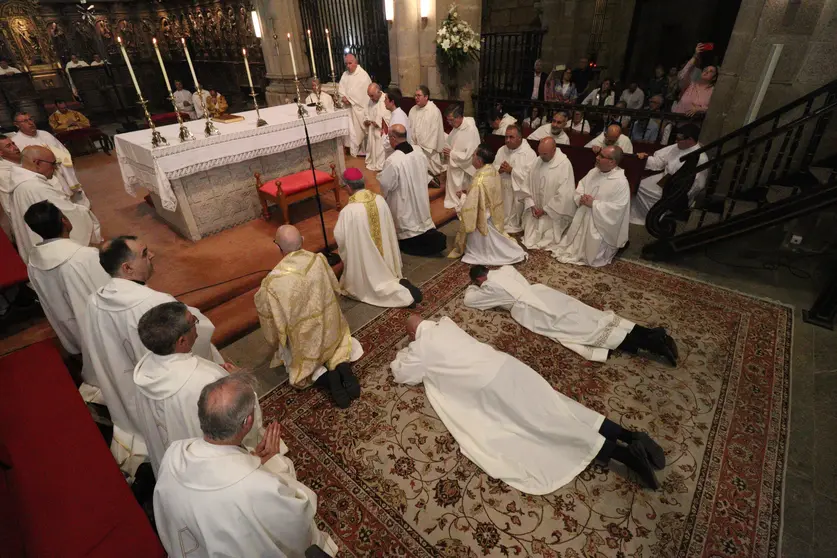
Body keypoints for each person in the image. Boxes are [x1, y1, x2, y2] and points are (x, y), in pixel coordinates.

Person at [391, 315, 668, 492]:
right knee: (561, 406)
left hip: (493, 388)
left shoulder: (421, 349)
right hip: (510, 367)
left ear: (415, 335)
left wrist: (406, 349)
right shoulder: (448, 327)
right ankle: (632, 436)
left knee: (546, 424)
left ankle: (626, 455)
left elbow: (402, 372)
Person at [81, 235, 225, 475]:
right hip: (169, 386)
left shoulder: (95, 300)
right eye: (145, 253)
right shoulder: (155, 302)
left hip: (129, 385)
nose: (152, 256)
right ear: (127, 268)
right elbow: (191, 337)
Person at [153, 375, 339, 557]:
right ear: (247, 422)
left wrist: (252, 460)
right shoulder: (259, 486)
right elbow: (297, 522)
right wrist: (273, 471)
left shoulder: (173, 453)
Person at [133, 302, 267, 475]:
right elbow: (242, 416)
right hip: (216, 465)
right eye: (193, 321)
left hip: (172, 464)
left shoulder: (145, 370)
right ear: (181, 341)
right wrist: (238, 381)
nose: (197, 323)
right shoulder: (207, 379)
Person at [464, 266, 678, 366]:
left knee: (581, 330)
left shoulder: (489, 288)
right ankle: (649, 334)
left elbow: (470, 300)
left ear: (480, 279)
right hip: (542, 293)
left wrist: (473, 287)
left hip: (531, 310)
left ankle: (652, 344)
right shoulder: (506, 269)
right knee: (590, 314)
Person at [254, 225, 362, 409]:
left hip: (305, 341)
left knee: (291, 353)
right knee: (337, 342)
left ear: (279, 248)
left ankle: (325, 378)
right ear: (303, 240)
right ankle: (341, 365)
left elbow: (271, 326)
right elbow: (336, 289)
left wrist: (276, 342)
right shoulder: (318, 260)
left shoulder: (272, 284)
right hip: (330, 330)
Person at [24, 201, 110, 386]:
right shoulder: (84, 256)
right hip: (100, 333)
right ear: (65, 221)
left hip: (70, 330)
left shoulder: (34, 261)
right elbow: (111, 291)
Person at [334, 168, 421, 308]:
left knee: (369, 285)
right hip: (388, 259)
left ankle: (402, 294)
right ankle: (396, 282)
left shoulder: (348, 212)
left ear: (348, 187)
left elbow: (341, 239)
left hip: (367, 263)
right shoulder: (380, 200)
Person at [9, 146, 101, 264]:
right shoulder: (36, 187)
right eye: (53, 164)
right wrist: (83, 210)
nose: (56, 168)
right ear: (37, 163)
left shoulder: (20, 181)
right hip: (56, 256)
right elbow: (67, 213)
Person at [552, 146, 631, 267]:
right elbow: (582, 185)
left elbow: (618, 209)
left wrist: (593, 204)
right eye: (598, 154)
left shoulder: (620, 182)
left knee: (592, 255)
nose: (597, 157)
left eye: (601, 156)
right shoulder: (593, 171)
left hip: (600, 226)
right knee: (569, 246)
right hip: (583, 216)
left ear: (612, 162)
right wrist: (581, 196)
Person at [448, 145, 526, 265]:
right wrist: (467, 192)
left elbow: (471, 206)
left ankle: (484, 251)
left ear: (479, 161)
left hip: (482, 220)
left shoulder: (480, 180)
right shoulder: (492, 170)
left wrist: (462, 197)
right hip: (492, 215)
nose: (472, 156)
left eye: (474, 155)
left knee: (487, 249)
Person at [378, 124, 446, 256]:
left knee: (408, 225)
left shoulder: (393, 160)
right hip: (419, 195)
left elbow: (386, 185)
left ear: (393, 138)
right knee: (419, 219)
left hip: (403, 200)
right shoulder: (418, 151)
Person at [631, 124, 708, 225]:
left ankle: (653, 219)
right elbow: (659, 161)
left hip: (678, 188)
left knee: (654, 193)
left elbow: (697, 185)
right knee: (641, 185)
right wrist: (644, 159)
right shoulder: (678, 146)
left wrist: (681, 197)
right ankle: (637, 215)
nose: (676, 141)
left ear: (690, 140)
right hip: (666, 178)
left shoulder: (700, 158)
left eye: (679, 139)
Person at [518, 137, 575, 250]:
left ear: (554, 150)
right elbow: (526, 185)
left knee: (547, 239)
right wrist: (532, 205)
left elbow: (564, 194)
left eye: (545, 154)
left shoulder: (564, 164)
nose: (541, 156)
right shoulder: (538, 160)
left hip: (552, 214)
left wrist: (545, 210)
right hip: (535, 210)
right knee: (529, 238)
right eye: (540, 153)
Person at [13, 111, 87, 197]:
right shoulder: (16, 142)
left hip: (61, 168)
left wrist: (59, 160)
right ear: (17, 124)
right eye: (25, 121)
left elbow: (62, 150)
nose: (30, 123)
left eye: (31, 119)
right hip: (45, 176)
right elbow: (25, 164)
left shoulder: (45, 134)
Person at [493, 123, 537, 234]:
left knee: (513, 216)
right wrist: (499, 169)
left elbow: (530, 177)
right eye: (506, 137)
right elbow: (494, 166)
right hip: (502, 186)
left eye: (511, 137)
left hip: (517, 191)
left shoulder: (529, 153)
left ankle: (513, 223)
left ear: (519, 138)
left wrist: (512, 171)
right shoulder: (501, 150)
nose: (507, 140)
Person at [442, 104, 480, 211]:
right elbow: (450, 142)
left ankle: (462, 201)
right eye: (448, 120)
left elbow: (471, 154)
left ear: (459, 117)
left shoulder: (471, 129)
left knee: (462, 197)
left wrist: (452, 154)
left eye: (451, 120)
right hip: (454, 164)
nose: (449, 123)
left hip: (464, 168)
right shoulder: (457, 127)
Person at [408, 85, 446, 186]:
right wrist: (413, 143)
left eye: (419, 95)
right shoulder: (413, 110)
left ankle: (431, 178)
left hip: (428, 148)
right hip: (415, 145)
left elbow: (434, 132)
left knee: (426, 165)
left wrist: (420, 145)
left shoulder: (433, 111)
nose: (416, 98)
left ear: (426, 97)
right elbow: (410, 128)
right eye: (415, 95)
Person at [338, 53, 372, 157]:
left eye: (350, 63)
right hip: (348, 109)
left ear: (356, 62)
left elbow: (363, 94)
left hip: (359, 109)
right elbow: (341, 89)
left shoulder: (363, 75)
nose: (348, 66)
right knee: (349, 130)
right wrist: (343, 97)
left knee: (359, 131)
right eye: (346, 64)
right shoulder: (345, 74)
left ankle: (362, 150)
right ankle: (351, 149)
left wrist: (351, 100)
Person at [674, 43, 717, 116]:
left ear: (714, 77)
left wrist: (699, 109)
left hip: (695, 123)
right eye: (705, 69)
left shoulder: (713, 91)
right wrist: (695, 55)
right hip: (678, 120)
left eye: (711, 71)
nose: (706, 71)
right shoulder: (690, 84)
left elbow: (714, 109)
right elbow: (682, 74)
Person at [363, 83, 390, 172]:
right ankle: (374, 162)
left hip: (382, 131)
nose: (370, 98)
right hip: (372, 130)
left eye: (372, 96)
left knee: (380, 150)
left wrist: (378, 123)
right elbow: (366, 112)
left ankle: (381, 164)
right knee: (372, 149)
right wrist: (366, 120)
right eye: (369, 96)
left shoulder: (386, 99)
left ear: (378, 92)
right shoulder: (371, 100)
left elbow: (389, 116)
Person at [0, 137, 21, 237]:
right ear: (1, 153)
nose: (15, 147)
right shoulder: (3, 173)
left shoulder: (21, 161)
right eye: (9, 146)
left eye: (13, 143)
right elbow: (9, 203)